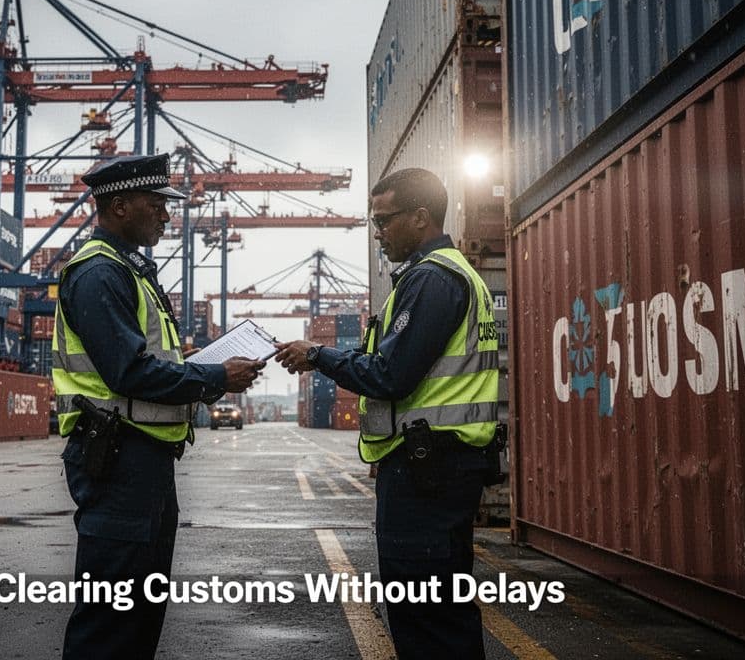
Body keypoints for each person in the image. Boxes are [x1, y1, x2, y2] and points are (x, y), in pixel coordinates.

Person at [274, 167, 501, 659]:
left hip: (428, 473)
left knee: (426, 618)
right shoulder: (455, 274)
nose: (377, 233)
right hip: (444, 466)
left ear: (420, 217)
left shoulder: (432, 279)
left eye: (383, 221)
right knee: (443, 610)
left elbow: (389, 375)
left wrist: (318, 354)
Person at [52, 153, 265, 658]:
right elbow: (128, 372)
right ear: (120, 206)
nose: (167, 215)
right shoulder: (100, 273)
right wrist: (216, 374)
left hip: (143, 462)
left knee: (139, 618)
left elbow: (153, 363)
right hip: (118, 461)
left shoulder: (131, 271)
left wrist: (206, 376)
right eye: (157, 204)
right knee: (111, 621)